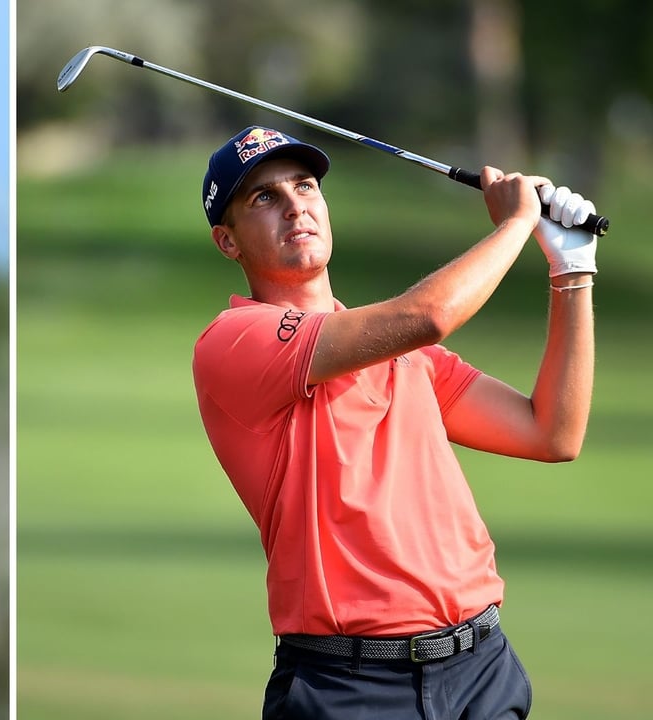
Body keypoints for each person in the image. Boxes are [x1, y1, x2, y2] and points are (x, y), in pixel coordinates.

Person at [192, 125, 597, 719]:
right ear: (228, 242)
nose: (295, 206)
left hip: (481, 669)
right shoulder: (233, 341)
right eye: (264, 197)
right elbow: (428, 315)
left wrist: (572, 271)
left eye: (304, 186)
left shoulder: (407, 356)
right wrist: (517, 223)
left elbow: (552, 433)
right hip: (350, 685)